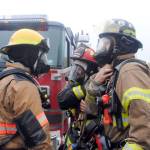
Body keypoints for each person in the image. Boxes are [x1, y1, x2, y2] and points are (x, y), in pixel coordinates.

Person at [80, 19, 150, 150]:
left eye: (105, 43)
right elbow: (93, 112)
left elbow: (145, 132)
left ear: (122, 44)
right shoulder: (115, 72)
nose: (101, 48)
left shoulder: (130, 72)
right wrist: (94, 86)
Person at [0, 29, 52, 150]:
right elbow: (40, 141)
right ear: (30, 54)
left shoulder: (4, 79)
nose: (43, 61)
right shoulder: (24, 87)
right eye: (41, 55)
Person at [57, 43, 98, 149]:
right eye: (75, 68)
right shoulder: (76, 85)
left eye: (80, 70)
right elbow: (62, 100)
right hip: (75, 135)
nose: (76, 73)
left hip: (89, 139)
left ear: (91, 72)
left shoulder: (99, 88)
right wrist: (85, 88)